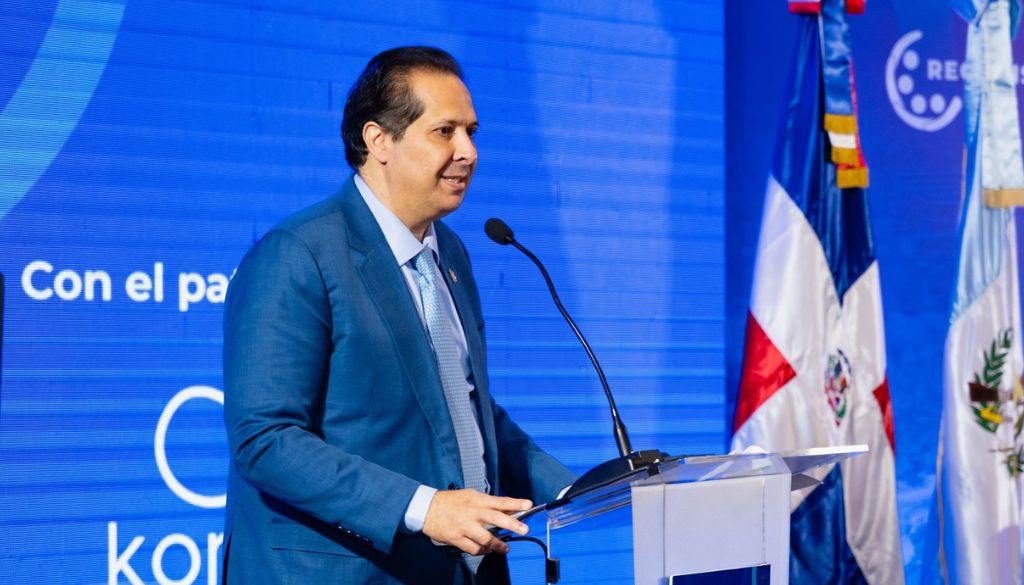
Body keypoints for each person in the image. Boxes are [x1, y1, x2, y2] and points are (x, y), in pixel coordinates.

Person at [221, 46, 576, 585]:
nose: (467, 152)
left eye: (471, 132)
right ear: (379, 140)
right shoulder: (298, 254)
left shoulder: (450, 252)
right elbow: (265, 439)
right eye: (444, 132)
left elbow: (464, 408)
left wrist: (577, 492)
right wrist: (424, 507)